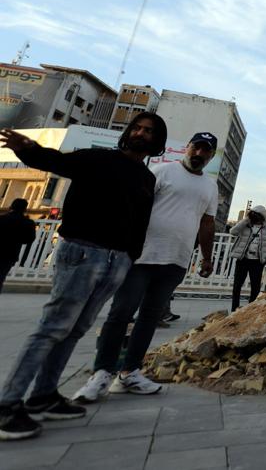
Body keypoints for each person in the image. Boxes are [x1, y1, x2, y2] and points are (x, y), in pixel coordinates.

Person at [0, 114, 164, 440]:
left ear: (156, 142)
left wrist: (131, 255)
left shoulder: (147, 178)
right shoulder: (99, 158)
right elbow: (56, 161)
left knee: (76, 329)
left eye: (149, 132)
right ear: (128, 132)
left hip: (117, 260)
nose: (141, 134)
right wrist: (27, 150)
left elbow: (139, 222)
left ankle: (43, 396)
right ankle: (7, 405)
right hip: (82, 252)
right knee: (53, 327)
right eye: (137, 128)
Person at [74, 132, 218, 403]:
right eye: (196, 147)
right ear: (187, 148)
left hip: (177, 259)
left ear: (210, 155)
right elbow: (136, 206)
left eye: (205, 151)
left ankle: (130, 371)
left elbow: (207, 223)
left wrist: (207, 258)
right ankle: (102, 372)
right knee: (121, 313)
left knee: (150, 317)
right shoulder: (162, 171)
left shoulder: (210, 187)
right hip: (142, 256)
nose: (199, 154)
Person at [229, 205, 266, 311]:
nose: (254, 217)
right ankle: (234, 308)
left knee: (255, 286)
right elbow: (233, 232)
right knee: (237, 285)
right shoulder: (245, 225)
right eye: (252, 215)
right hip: (243, 259)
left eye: (256, 215)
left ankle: (250, 308)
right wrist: (245, 220)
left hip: (257, 261)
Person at [0, 199, 36, 294]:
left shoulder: (2, 218)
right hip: (10, 255)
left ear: (11, 207)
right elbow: (29, 239)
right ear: (25, 209)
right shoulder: (28, 223)